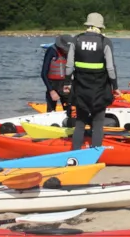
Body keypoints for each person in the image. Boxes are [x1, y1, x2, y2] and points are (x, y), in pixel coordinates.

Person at [66, 12, 120, 148]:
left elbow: (69, 65)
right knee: (98, 123)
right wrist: (115, 86)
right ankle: (96, 153)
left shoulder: (76, 40)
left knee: (80, 122)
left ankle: (76, 152)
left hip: (80, 88)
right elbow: (110, 68)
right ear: (100, 27)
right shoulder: (105, 41)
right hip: (100, 89)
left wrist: (67, 83)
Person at [41, 34, 74, 114]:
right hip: (52, 85)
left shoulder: (71, 52)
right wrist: (51, 91)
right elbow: (43, 73)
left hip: (66, 84)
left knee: (69, 109)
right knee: (50, 111)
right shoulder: (51, 51)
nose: (66, 51)